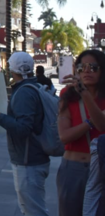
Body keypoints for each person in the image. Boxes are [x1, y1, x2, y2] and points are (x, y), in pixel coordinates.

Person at [0, 52, 50, 216]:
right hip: (34, 158)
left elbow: (23, 129)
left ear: (12, 69)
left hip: (28, 160)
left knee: (33, 210)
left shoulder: (24, 92)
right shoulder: (34, 87)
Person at [56, 50, 105, 216]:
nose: (87, 71)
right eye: (81, 67)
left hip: (100, 168)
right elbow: (64, 136)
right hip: (73, 168)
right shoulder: (67, 94)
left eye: (93, 67)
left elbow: (102, 125)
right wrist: (89, 122)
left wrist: (85, 95)